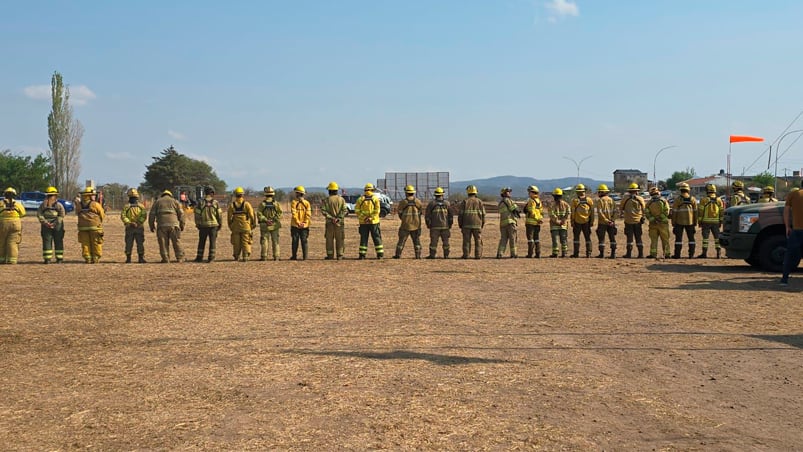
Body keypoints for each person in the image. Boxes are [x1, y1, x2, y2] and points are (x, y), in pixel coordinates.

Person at [149, 189, 185, 263]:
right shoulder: (175, 201)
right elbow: (181, 214)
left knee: (163, 242)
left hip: (162, 225)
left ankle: (165, 258)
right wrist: (182, 224)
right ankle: (180, 258)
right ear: (170, 195)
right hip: (174, 225)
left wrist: (151, 225)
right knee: (176, 241)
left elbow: (152, 215)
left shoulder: (157, 202)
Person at [780, 181, 803, 285]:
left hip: (797, 230)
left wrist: (787, 226)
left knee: (789, 255)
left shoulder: (793, 194)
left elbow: (786, 211)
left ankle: (784, 279)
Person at [77, 187, 106, 263]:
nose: (94, 196)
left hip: (82, 227)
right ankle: (95, 258)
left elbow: (77, 213)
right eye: (93, 195)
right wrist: (99, 222)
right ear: (89, 196)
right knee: (96, 242)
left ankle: (88, 258)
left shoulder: (79, 205)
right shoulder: (95, 204)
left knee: (85, 243)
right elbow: (102, 214)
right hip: (95, 227)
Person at [393, 185, 423, 259]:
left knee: (401, 241)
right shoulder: (418, 202)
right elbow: (420, 212)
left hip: (405, 225)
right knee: (416, 241)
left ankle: (398, 255)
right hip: (416, 225)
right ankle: (418, 256)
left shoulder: (403, 202)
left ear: (406, 193)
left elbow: (400, 213)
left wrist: (404, 219)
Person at [37, 186, 65, 264]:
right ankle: (58, 259)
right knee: (57, 240)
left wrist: (46, 222)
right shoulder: (58, 204)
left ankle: (48, 259)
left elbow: (39, 214)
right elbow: (62, 214)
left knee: (48, 241)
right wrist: (51, 223)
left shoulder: (43, 204)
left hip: (50, 224)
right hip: (55, 224)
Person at [194, 186, 223, 263]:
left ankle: (199, 257)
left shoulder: (200, 202)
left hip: (203, 226)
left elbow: (197, 215)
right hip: (214, 226)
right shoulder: (216, 203)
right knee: (212, 242)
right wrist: (220, 224)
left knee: (201, 242)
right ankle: (211, 258)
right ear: (212, 193)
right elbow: (219, 215)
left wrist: (198, 224)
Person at [228, 186, 256, 262]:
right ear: (242, 195)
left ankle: (236, 256)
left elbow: (229, 218)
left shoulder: (232, 205)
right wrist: (253, 224)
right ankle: (245, 256)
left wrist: (231, 226)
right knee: (245, 241)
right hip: (246, 226)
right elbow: (251, 215)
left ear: (235, 195)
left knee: (236, 242)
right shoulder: (247, 204)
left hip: (236, 226)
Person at [356, 183, 384, 259]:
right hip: (374, 222)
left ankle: (362, 255)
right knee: (377, 238)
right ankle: (380, 255)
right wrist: (370, 218)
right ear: (372, 190)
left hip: (363, 222)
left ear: (365, 190)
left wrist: (364, 218)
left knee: (364, 238)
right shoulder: (375, 199)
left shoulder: (360, 199)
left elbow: (357, 211)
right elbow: (377, 211)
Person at [697, 183, 724, 258]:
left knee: (705, 239)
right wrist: (721, 221)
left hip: (706, 222)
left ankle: (704, 253)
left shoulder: (704, 200)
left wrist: (699, 221)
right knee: (717, 238)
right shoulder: (719, 200)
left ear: (707, 191)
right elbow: (721, 211)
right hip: (716, 222)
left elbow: (700, 212)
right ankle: (718, 254)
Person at [458, 185, 485, 259]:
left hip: (466, 225)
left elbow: (460, 215)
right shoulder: (480, 202)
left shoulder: (464, 202)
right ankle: (478, 255)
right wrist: (482, 224)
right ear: (475, 192)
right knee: (478, 241)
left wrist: (460, 224)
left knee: (466, 241)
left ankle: (466, 255)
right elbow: (483, 214)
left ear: (468, 193)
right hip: (477, 224)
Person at [671, 182, 698, 259]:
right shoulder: (693, 199)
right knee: (691, 239)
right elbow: (696, 212)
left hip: (679, 222)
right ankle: (691, 255)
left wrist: (673, 222)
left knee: (678, 239)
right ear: (688, 190)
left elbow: (674, 212)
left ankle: (677, 255)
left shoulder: (678, 200)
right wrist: (695, 222)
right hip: (690, 222)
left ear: (681, 190)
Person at [120, 188, 147, 263]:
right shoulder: (141, 206)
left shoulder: (126, 206)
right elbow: (144, 216)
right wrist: (138, 223)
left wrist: (129, 223)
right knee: (140, 243)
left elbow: (123, 216)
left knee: (128, 243)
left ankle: (128, 259)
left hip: (129, 228)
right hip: (139, 227)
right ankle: (140, 258)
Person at [321, 182, 346, 260]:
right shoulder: (341, 199)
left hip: (329, 223)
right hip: (339, 223)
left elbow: (323, 211)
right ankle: (340, 255)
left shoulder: (326, 200)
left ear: (329, 190)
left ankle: (330, 255)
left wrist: (332, 218)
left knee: (329, 240)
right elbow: (344, 210)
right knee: (340, 239)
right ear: (336, 190)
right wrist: (338, 218)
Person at [0, 187, 26, 264]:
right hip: (15, 224)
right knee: (13, 242)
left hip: (2, 224)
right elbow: (23, 213)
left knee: (1, 241)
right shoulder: (18, 204)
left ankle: (1, 259)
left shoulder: (1, 204)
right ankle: (12, 260)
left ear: (5, 195)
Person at [620, 183, 646, 258]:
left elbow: (621, 208)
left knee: (629, 238)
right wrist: (643, 217)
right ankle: (640, 254)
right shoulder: (640, 199)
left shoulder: (625, 199)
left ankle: (629, 254)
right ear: (636, 191)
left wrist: (622, 214)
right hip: (638, 222)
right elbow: (644, 209)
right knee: (638, 238)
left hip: (628, 221)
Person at [426, 186, 453, 258]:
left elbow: (427, 216)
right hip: (445, 226)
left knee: (433, 242)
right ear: (442, 194)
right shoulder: (447, 204)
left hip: (434, 227)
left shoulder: (431, 204)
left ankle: (432, 255)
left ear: (435, 195)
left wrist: (429, 225)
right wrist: (450, 225)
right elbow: (451, 216)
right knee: (446, 242)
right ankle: (446, 255)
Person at [257, 186, 282, 261]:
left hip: (265, 225)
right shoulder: (276, 204)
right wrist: (273, 219)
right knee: (275, 241)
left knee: (264, 241)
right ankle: (276, 256)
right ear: (273, 194)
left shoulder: (262, 204)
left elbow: (259, 213)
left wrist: (266, 220)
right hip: (274, 225)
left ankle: (264, 257)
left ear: (265, 194)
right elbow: (280, 213)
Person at [645, 186, 671, 259]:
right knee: (665, 239)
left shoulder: (649, 203)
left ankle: (653, 254)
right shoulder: (664, 201)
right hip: (663, 224)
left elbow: (647, 213)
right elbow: (666, 211)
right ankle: (667, 254)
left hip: (653, 224)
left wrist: (653, 219)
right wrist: (660, 218)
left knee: (654, 240)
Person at [570, 183, 594, 258]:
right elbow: (592, 212)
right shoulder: (589, 200)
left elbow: (573, 213)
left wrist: (572, 221)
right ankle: (589, 253)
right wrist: (591, 222)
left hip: (577, 222)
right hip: (586, 222)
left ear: (577, 192)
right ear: (584, 191)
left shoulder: (575, 201)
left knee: (576, 238)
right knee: (587, 238)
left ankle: (576, 253)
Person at [594, 184, 617, 259]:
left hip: (602, 223)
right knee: (612, 238)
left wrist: (607, 221)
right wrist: (612, 221)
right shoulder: (612, 200)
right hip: (611, 223)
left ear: (602, 192)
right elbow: (615, 212)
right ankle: (613, 254)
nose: (598, 193)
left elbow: (600, 213)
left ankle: (601, 254)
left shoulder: (600, 201)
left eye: (599, 192)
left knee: (601, 239)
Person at [289, 185, 311, 260]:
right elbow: (308, 214)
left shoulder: (294, 202)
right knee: (304, 241)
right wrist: (304, 223)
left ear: (298, 193)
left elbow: (293, 213)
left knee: (295, 241)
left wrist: (298, 222)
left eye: (296, 193)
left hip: (295, 225)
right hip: (305, 226)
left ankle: (294, 256)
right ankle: (305, 257)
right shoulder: (307, 203)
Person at [496, 187, 519, 258]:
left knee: (503, 239)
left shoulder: (500, 203)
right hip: (510, 222)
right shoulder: (508, 200)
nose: (509, 193)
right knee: (512, 238)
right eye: (508, 192)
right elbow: (514, 209)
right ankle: (513, 254)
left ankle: (500, 253)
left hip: (503, 223)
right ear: (504, 193)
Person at [549, 188, 571, 258]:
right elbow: (568, 214)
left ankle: (557, 253)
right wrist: (563, 221)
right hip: (562, 225)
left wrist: (557, 221)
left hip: (555, 225)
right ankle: (562, 253)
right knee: (563, 240)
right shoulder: (566, 205)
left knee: (557, 240)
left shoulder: (552, 205)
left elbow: (551, 214)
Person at [523, 185, 543, 258]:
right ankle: (538, 253)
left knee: (530, 239)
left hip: (530, 223)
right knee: (537, 238)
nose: (528, 193)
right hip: (537, 223)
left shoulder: (531, 201)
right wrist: (540, 219)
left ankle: (530, 254)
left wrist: (536, 218)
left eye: (529, 192)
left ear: (532, 192)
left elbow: (531, 211)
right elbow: (541, 212)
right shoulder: (539, 201)